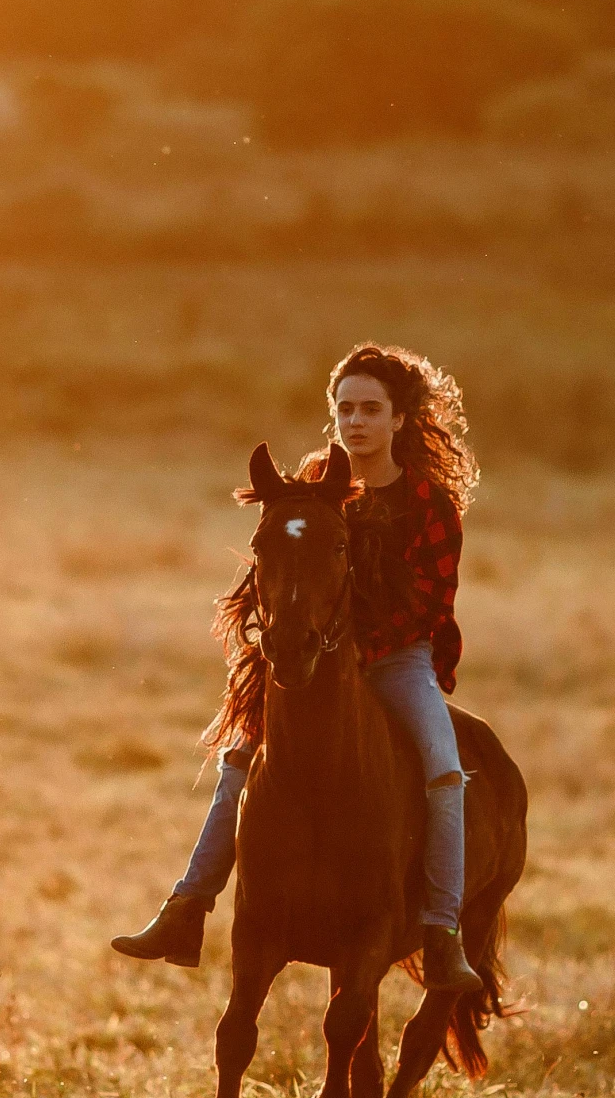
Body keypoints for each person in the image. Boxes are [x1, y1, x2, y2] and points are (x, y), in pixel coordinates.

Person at [110, 343, 483, 992]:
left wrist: (356, 651)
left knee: (444, 771)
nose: (356, 421)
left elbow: (431, 605)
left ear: (399, 419)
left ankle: (443, 933)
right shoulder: (316, 481)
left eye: (371, 408)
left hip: (397, 660)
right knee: (239, 754)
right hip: (313, 655)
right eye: (345, 408)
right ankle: (186, 907)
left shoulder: (430, 504)